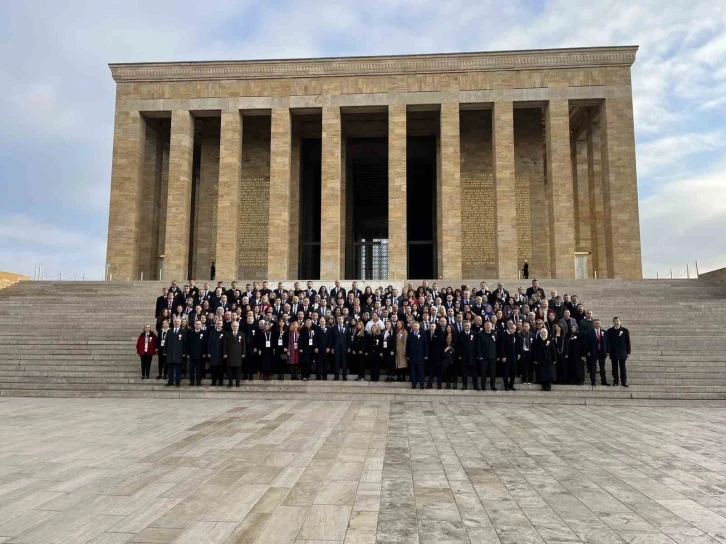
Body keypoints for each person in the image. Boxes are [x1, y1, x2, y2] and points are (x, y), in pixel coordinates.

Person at [606, 317, 630, 387]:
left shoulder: (625, 330)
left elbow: (627, 342)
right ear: (613, 322)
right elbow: (608, 341)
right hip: (613, 351)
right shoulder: (610, 330)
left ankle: (624, 381)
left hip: (622, 351)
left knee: (622, 367)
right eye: (615, 321)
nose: (616, 322)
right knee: (614, 367)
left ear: (620, 322)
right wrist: (608, 351)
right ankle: (615, 381)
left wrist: (628, 352)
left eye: (617, 321)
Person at [455, 321, 478, 391]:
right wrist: (459, 355)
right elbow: (457, 346)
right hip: (464, 356)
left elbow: (477, 346)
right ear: (463, 326)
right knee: (464, 372)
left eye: (468, 326)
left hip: (473, 356)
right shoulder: (460, 334)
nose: (467, 327)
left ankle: (476, 386)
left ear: (470, 326)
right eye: (465, 326)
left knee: (474, 373)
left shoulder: (475, 334)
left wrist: (478, 355)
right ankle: (464, 385)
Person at [587, 319, 610, 386]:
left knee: (602, 368)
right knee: (593, 368)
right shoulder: (589, 332)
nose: (596, 324)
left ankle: (604, 381)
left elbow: (607, 342)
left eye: (598, 323)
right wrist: (588, 351)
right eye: (595, 323)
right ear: (593, 324)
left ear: (600, 324)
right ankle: (593, 382)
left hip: (602, 351)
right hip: (593, 351)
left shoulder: (604, 332)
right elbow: (587, 342)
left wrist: (608, 351)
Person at [164, 318, 186, 387]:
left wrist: (184, 352)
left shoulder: (184, 331)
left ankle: (177, 382)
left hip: (179, 353)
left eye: (178, 321)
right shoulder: (169, 331)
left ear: (180, 323)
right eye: (175, 321)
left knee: (178, 369)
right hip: (170, 353)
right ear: (173, 323)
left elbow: (185, 343)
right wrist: (165, 351)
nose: (176, 323)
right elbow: (166, 342)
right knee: (170, 369)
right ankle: (170, 381)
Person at [406, 321, 428, 389]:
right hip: (412, 356)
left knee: (421, 371)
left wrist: (426, 354)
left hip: (420, 356)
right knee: (413, 371)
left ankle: (421, 384)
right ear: (412, 327)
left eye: (416, 326)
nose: (415, 327)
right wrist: (408, 355)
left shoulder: (423, 333)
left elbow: (425, 345)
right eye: (414, 326)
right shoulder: (410, 334)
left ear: (419, 326)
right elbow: (408, 345)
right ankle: (414, 384)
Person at [477, 320, 497, 391]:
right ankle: (483, 386)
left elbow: (496, 345)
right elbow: (478, 346)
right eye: (487, 325)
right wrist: (480, 355)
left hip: (492, 357)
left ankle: (493, 386)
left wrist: (496, 355)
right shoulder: (480, 334)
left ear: (492, 326)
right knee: (483, 372)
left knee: (493, 373)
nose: (488, 326)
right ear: (484, 326)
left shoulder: (494, 334)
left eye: (489, 325)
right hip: (483, 357)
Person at [498, 321, 518, 391]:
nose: (515, 331)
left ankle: (511, 385)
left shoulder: (514, 335)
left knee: (513, 371)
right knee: (506, 371)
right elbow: (501, 346)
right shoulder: (503, 334)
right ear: (510, 328)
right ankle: (506, 385)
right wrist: (503, 356)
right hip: (506, 357)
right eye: (514, 329)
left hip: (513, 356)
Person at [186, 320, 207, 386]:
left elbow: (205, 344)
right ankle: (191, 381)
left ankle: (198, 381)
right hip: (192, 354)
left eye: (199, 324)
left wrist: (204, 353)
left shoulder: (204, 332)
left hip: (200, 354)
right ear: (194, 325)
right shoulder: (190, 332)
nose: (198, 325)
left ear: (201, 325)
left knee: (199, 369)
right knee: (191, 369)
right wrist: (188, 353)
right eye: (196, 324)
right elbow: (187, 344)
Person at [207, 318, 227, 386]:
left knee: (220, 369)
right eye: (217, 323)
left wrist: (225, 353)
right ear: (216, 324)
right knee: (213, 368)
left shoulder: (225, 333)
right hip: (213, 353)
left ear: (222, 324)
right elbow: (209, 343)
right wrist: (209, 352)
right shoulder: (212, 332)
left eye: (220, 324)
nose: (218, 325)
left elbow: (225, 344)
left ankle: (220, 382)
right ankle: (213, 382)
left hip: (221, 354)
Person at [225, 321, 245, 387]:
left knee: (238, 370)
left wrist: (243, 353)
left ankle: (237, 383)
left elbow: (244, 345)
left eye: (236, 326)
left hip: (238, 354)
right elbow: (225, 344)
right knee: (229, 369)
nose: (235, 327)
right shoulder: (228, 334)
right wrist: (225, 353)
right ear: (231, 327)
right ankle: (230, 382)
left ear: (238, 327)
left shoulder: (242, 334)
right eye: (234, 326)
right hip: (230, 354)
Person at [426, 322, 444, 389]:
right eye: (430, 326)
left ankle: (439, 384)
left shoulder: (439, 332)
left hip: (438, 355)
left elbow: (441, 342)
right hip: (430, 355)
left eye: (432, 326)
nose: (431, 327)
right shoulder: (426, 332)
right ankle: (429, 384)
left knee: (439, 370)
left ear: (435, 327)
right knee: (431, 370)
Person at [331, 316, 350, 381]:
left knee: (344, 363)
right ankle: (336, 376)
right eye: (338, 319)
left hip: (344, 347)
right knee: (336, 363)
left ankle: (344, 376)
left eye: (341, 319)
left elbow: (349, 338)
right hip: (336, 348)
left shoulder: (347, 327)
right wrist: (332, 348)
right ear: (336, 320)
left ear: (343, 319)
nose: (339, 320)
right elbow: (332, 339)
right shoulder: (334, 327)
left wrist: (349, 347)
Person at [518, 321, 534, 385]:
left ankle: (530, 380)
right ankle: (524, 380)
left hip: (530, 353)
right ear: (522, 327)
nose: (525, 327)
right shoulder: (519, 334)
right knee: (524, 366)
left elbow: (534, 345)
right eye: (524, 326)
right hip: (523, 352)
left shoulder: (532, 334)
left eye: (527, 326)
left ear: (529, 327)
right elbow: (518, 345)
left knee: (530, 367)